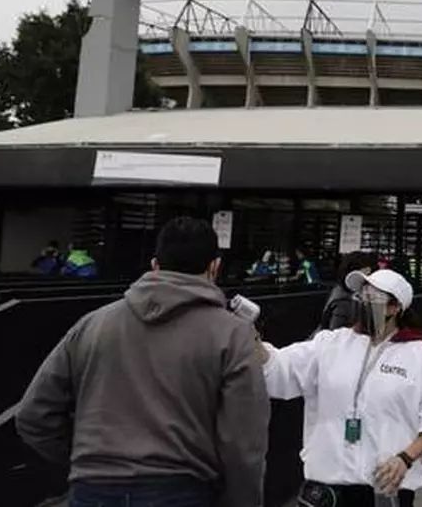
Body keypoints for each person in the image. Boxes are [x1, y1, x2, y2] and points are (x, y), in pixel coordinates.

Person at [15, 216, 270, 507]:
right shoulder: (232, 335)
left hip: (92, 490)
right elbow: (244, 442)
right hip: (183, 491)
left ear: (154, 265)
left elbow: (33, 415)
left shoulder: (94, 324)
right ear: (215, 267)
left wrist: (90, 457)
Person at [259, 268, 422, 507]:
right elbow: (281, 368)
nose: (363, 301)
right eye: (360, 295)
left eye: (373, 297)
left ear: (395, 308)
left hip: (384, 490)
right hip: (326, 489)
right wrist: (252, 341)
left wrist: (405, 458)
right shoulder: (331, 343)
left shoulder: (420, 355)